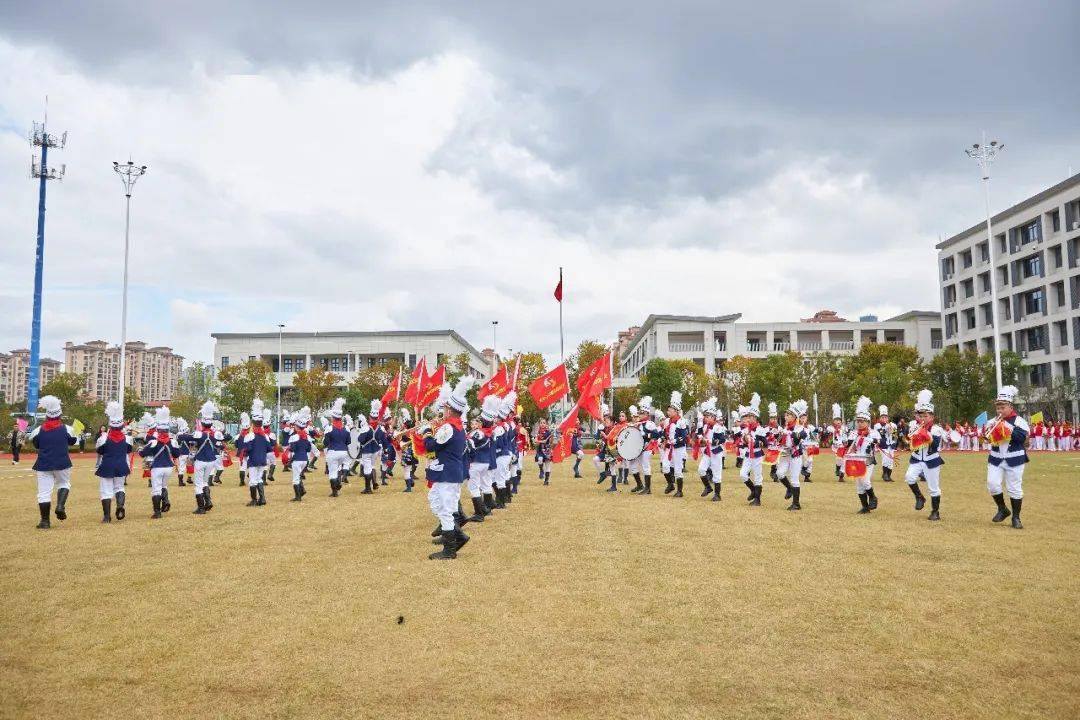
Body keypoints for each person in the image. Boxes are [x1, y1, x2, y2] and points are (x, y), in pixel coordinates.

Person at [426, 377, 474, 560]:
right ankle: (458, 536)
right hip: (449, 472)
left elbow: (432, 446)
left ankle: (450, 550)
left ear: (450, 410)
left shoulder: (449, 428)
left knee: (445, 509)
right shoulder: (456, 426)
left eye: (445, 408)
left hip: (448, 472)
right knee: (437, 501)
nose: (443, 411)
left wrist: (427, 434)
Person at [984, 386, 1028, 529]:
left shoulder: (1019, 421)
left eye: (1002, 407)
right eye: (998, 408)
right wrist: (986, 435)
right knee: (992, 484)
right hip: (996, 458)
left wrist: (1007, 427)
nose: (1000, 411)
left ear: (1010, 406)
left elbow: (1022, 439)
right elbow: (986, 438)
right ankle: (1002, 508)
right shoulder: (992, 421)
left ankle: (1016, 517)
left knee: (1014, 488)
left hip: (1015, 458)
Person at [30, 395, 77, 529]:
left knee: (44, 493)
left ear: (46, 415)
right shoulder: (68, 429)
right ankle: (60, 505)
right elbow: (73, 441)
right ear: (59, 414)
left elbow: (36, 444)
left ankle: (45, 521)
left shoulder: (37, 430)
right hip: (63, 462)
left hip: (43, 464)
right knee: (64, 483)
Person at [905, 389, 945, 521]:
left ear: (931, 417)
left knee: (933, 487)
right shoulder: (914, 427)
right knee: (909, 477)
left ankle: (935, 511)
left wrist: (927, 436)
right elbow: (908, 442)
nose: (922, 418)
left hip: (931, 460)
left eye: (925, 416)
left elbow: (935, 447)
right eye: (920, 416)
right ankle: (919, 497)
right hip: (916, 459)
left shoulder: (936, 429)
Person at [139, 406, 182, 519]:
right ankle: (166, 502)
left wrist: (141, 449)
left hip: (157, 467)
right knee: (164, 485)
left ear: (158, 430)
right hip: (168, 467)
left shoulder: (153, 441)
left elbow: (142, 454)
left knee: (156, 489)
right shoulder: (173, 441)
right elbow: (177, 454)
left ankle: (157, 512)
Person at [180, 401, 221, 514]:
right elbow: (222, 441)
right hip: (211, 461)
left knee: (198, 484)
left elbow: (185, 437)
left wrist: (180, 434)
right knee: (205, 482)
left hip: (201, 461)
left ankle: (201, 508)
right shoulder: (215, 434)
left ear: (202, 423)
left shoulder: (199, 434)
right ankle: (208, 502)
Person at [94, 401, 132, 523]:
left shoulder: (104, 438)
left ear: (110, 425)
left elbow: (99, 450)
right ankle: (120, 506)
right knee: (120, 487)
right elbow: (129, 449)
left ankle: (106, 517)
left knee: (106, 491)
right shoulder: (127, 438)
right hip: (121, 466)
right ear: (121, 426)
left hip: (107, 466)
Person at [467, 395, 500, 521]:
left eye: (480, 421)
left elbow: (469, 444)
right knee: (486, 485)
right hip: (486, 462)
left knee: (474, 487)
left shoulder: (478, 433)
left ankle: (479, 513)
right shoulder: (491, 432)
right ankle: (487, 509)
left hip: (476, 462)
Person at [845, 396, 880, 515]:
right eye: (858, 421)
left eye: (862, 421)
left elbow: (881, 443)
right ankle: (865, 507)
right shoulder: (854, 433)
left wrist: (874, 441)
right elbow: (849, 446)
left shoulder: (874, 432)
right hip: (856, 460)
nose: (860, 424)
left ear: (868, 422)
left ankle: (873, 498)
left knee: (865, 481)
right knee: (859, 485)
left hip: (868, 461)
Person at [738, 393, 767, 506]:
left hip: (757, 455)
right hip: (747, 455)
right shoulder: (746, 429)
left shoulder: (760, 429)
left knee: (758, 476)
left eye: (750, 417)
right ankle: (753, 491)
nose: (747, 419)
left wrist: (756, 442)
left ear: (755, 417)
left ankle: (757, 500)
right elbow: (742, 441)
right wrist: (745, 438)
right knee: (743, 474)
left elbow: (765, 443)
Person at [781, 399, 809, 511]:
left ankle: (796, 504)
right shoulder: (785, 428)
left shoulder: (800, 428)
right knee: (779, 474)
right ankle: (789, 488)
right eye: (786, 414)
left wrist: (794, 434)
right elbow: (780, 440)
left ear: (794, 417)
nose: (786, 416)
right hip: (785, 454)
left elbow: (802, 436)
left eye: (788, 415)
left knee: (794, 479)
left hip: (795, 455)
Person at [661, 391, 689, 497]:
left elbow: (684, 436)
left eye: (670, 410)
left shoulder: (681, 422)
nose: (668, 411)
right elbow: (665, 433)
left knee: (678, 469)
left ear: (676, 411)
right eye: (668, 410)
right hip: (669, 447)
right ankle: (670, 484)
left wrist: (675, 440)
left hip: (678, 448)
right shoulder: (667, 421)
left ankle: (680, 491)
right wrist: (662, 439)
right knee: (665, 466)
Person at [696, 397, 723, 500]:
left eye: (707, 416)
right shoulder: (705, 427)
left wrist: (709, 441)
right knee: (701, 470)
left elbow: (721, 440)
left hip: (716, 452)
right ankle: (708, 487)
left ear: (713, 417)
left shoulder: (718, 427)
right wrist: (700, 438)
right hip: (708, 452)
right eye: (705, 416)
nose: (705, 418)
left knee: (716, 473)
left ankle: (717, 495)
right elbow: (699, 433)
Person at [323, 398, 350, 496]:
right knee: (338, 469)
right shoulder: (346, 428)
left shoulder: (329, 428)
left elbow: (325, 443)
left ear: (333, 417)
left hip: (333, 451)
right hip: (343, 452)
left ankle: (335, 491)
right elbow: (349, 442)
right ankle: (338, 484)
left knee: (332, 472)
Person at [287, 406, 315, 502]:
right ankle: (302, 491)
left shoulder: (294, 437)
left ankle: (298, 497)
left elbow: (292, 449)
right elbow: (308, 449)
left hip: (297, 459)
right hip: (304, 460)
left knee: (295, 478)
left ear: (297, 426)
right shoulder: (306, 437)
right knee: (298, 476)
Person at [874, 405, 898, 482]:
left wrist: (894, 442)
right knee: (886, 459)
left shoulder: (893, 425)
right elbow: (880, 434)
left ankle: (889, 475)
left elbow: (895, 436)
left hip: (891, 445)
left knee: (891, 461)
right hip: (883, 445)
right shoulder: (877, 425)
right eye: (882, 417)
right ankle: (885, 475)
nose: (884, 419)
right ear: (880, 418)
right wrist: (886, 428)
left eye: (886, 417)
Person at [829, 404, 847, 482]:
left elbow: (846, 435)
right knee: (839, 460)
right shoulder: (832, 428)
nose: (838, 422)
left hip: (842, 446)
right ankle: (838, 468)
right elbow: (829, 429)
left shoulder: (844, 428)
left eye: (839, 420)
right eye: (836, 420)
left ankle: (841, 475)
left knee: (843, 461)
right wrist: (835, 429)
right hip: (836, 446)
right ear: (833, 421)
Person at [536, 418, 553, 485]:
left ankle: (546, 481)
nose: (542, 424)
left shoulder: (549, 432)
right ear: (539, 424)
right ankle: (541, 470)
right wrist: (540, 441)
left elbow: (551, 442)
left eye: (544, 423)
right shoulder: (538, 432)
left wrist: (551, 437)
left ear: (546, 424)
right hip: (540, 449)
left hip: (547, 450)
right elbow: (536, 442)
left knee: (547, 465)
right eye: (541, 423)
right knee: (540, 460)